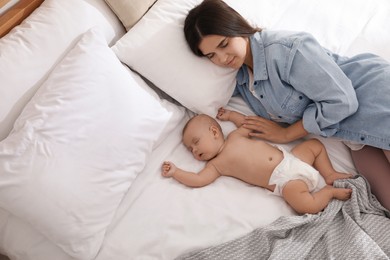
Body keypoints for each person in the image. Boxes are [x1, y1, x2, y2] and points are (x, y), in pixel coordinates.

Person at [183, 0, 390, 210]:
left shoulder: (287, 50)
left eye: (224, 44)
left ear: (236, 26)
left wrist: (287, 134)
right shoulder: (244, 81)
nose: (222, 58)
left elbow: (343, 101)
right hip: (353, 134)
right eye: (211, 55)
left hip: (374, 97)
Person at [162, 108, 352, 214]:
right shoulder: (216, 165)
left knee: (315, 145)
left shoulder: (235, 137)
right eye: (190, 149)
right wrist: (176, 172)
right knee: (305, 206)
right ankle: (328, 192)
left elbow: (247, 124)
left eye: (195, 142)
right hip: (284, 182)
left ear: (213, 132)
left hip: (291, 159)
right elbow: (199, 180)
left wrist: (230, 115)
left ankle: (329, 174)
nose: (194, 150)